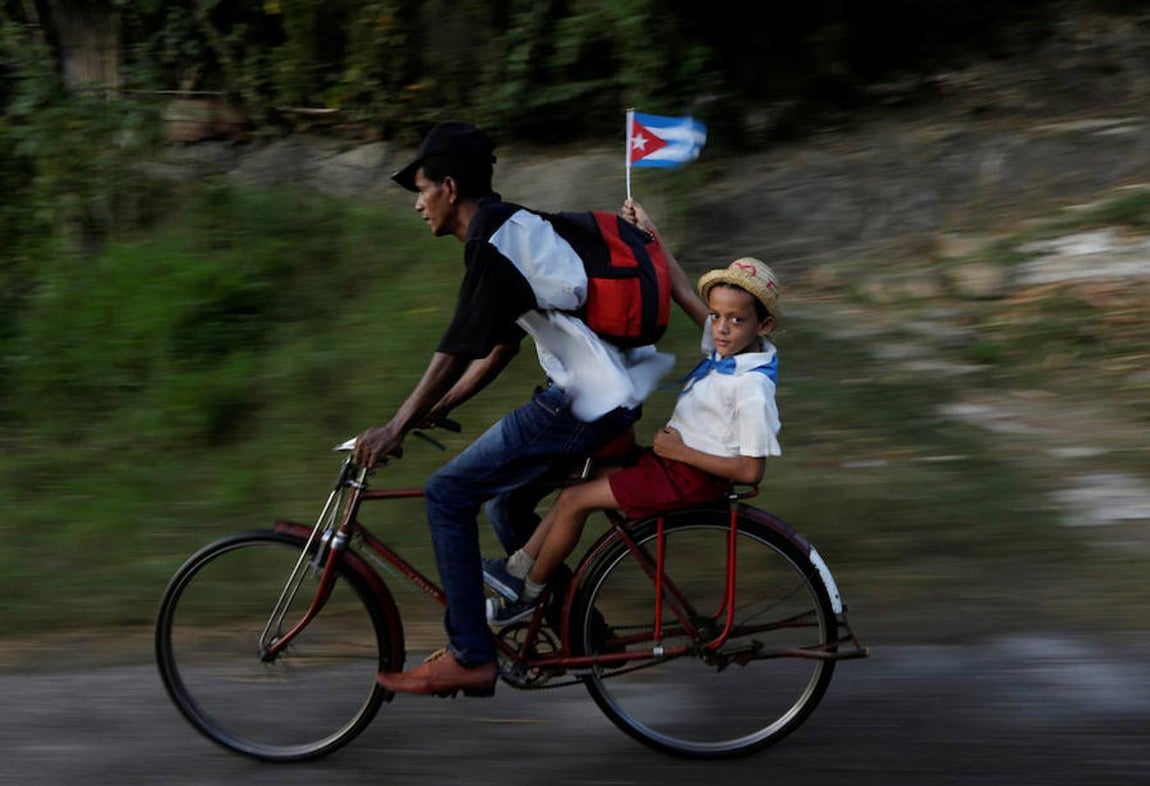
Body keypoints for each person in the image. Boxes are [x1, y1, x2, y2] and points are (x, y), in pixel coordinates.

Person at [354, 122, 704, 697]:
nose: (417, 205)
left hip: (580, 402)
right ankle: (589, 636)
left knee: (447, 494)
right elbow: (495, 350)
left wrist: (396, 426)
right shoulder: (516, 229)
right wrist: (433, 410)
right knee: (506, 505)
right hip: (609, 396)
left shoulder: (491, 237)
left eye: (421, 190)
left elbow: (454, 347)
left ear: (449, 185)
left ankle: (469, 653)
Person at [484, 249, 783, 626]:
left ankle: (529, 595)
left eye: (735, 320)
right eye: (715, 316)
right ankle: (520, 566)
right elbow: (683, 292)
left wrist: (680, 451)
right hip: (670, 464)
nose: (720, 328)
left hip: (688, 478)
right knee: (583, 479)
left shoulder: (752, 387)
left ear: (764, 325)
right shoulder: (731, 351)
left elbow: (750, 471)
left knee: (576, 500)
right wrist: (648, 232)